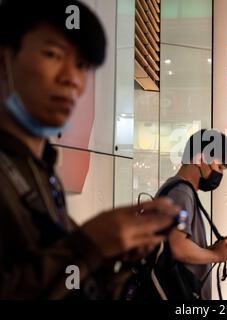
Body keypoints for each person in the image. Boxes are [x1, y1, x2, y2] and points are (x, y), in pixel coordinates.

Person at [0, 0, 179, 299]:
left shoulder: (40, 169)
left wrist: (113, 256)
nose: (71, 78)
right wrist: (90, 243)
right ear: (5, 58)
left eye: (82, 65)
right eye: (53, 54)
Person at [156, 129, 227, 300]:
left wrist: (214, 249)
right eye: (219, 166)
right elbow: (178, 248)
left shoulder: (178, 190)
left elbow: (177, 243)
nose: (219, 174)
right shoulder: (181, 193)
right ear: (201, 158)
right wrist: (217, 255)